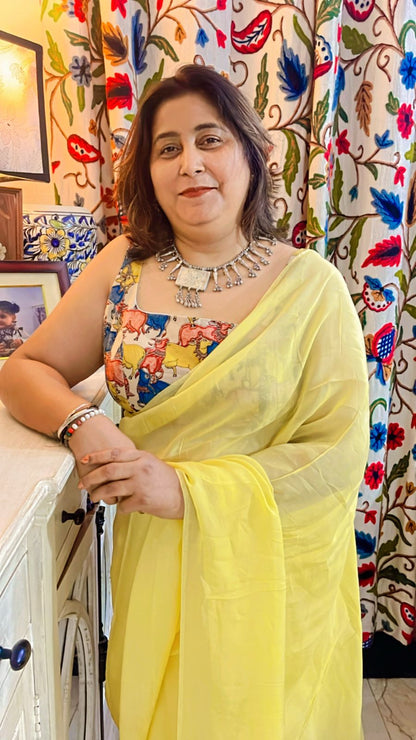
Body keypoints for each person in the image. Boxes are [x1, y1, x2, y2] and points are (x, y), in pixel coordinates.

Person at [0, 64, 369, 738]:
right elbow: (25, 371)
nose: (190, 162)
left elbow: (336, 456)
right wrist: (82, 423)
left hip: (269, 583)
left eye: (210, 139)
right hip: (153, 566)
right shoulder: (124, 266)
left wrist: (185, 490)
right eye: (167, 148)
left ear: (252, 155)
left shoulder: (310, 288)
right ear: (149, 172)